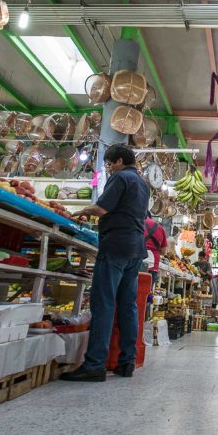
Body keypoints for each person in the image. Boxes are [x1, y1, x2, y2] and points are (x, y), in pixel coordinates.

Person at [61, 144, 149, 382]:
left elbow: (101, 208)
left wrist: (80, 211)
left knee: (104, 304)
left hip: (115, 246)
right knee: (128, 306)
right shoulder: (142, 184)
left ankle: (95, 364)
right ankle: (127, 362)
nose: (109, 168)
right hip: (135, 248)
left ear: (119, 161)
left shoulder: (120, 177)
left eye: (109, 164)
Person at [143, 214, 167, 286]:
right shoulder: (161, 228)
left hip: (138, 260)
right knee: (146, 289)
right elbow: (163, 252)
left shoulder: (140, 223)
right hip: (153, 265)